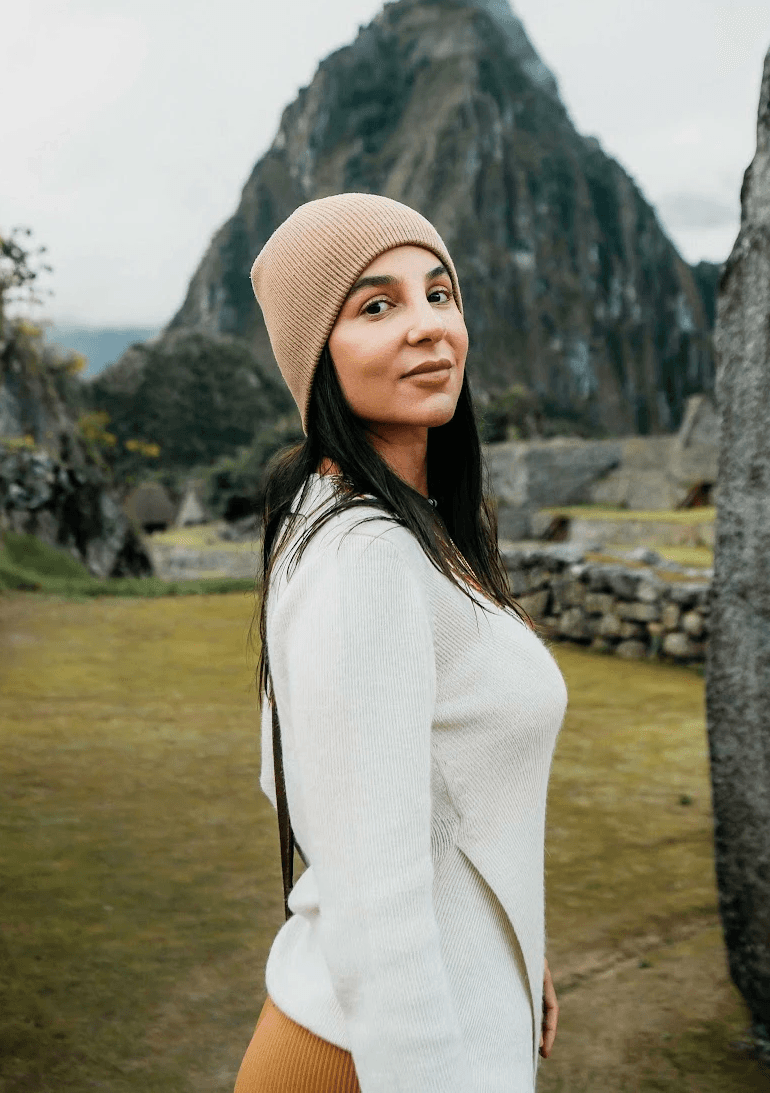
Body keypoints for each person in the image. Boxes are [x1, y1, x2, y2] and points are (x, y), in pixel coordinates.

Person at [233, 193, 567, 1093]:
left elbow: (372, 791)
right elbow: (375, 909)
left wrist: (511, 945)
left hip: (413, 1026)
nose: (428, 326)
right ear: (317, 356)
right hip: (360, 1060)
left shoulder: (400, 531)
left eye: (439, 292)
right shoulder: (366, 557)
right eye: (376, 305)